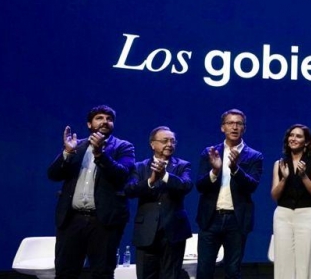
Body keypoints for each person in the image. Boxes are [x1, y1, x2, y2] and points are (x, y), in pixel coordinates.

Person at [47, 105, 135, 279]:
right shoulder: (76, 146)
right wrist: (66, 153)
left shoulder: (123, 147)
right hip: (72, 220)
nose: (105, 121)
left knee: (101, 273)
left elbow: (122, 176)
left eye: (109, 119)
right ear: (89, 124)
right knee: (65, 272)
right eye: (99, 118)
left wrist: (100, 154)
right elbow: (53, 174)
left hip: (104, 221)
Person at [195, 109, 264, 279]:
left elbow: (251, 186)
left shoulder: (254, 156)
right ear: (222, 128)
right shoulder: (210, 153)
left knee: (233, 271)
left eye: (239, 123)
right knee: (204, 270)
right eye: (230, 123)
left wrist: (235, 169)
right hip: (211, 218)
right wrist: (215, 171)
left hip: (236, 220)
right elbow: (200, 186)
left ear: (244, 128)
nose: (234, 127)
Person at [125, 126, 193, 279]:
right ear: (152, 144)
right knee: (146, 275)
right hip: (146, 232)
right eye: (164, 141)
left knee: (171, 276)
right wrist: (150, 181)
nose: (169, 144)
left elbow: (186, 186)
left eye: (172, 141)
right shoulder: (139, 167)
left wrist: (165, 175)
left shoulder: (182, 165)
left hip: (174, 231)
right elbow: (130, 190)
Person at [270, 124, 311, 279]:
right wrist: (285, 178)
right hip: (283, 214)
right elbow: (274, 195)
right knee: (283, 260)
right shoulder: (279, 164)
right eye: (291, 135)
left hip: (307, 214)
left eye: (298, 136)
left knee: (305, 261)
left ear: (306, 142)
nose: (293, 139)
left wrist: (303, 176)